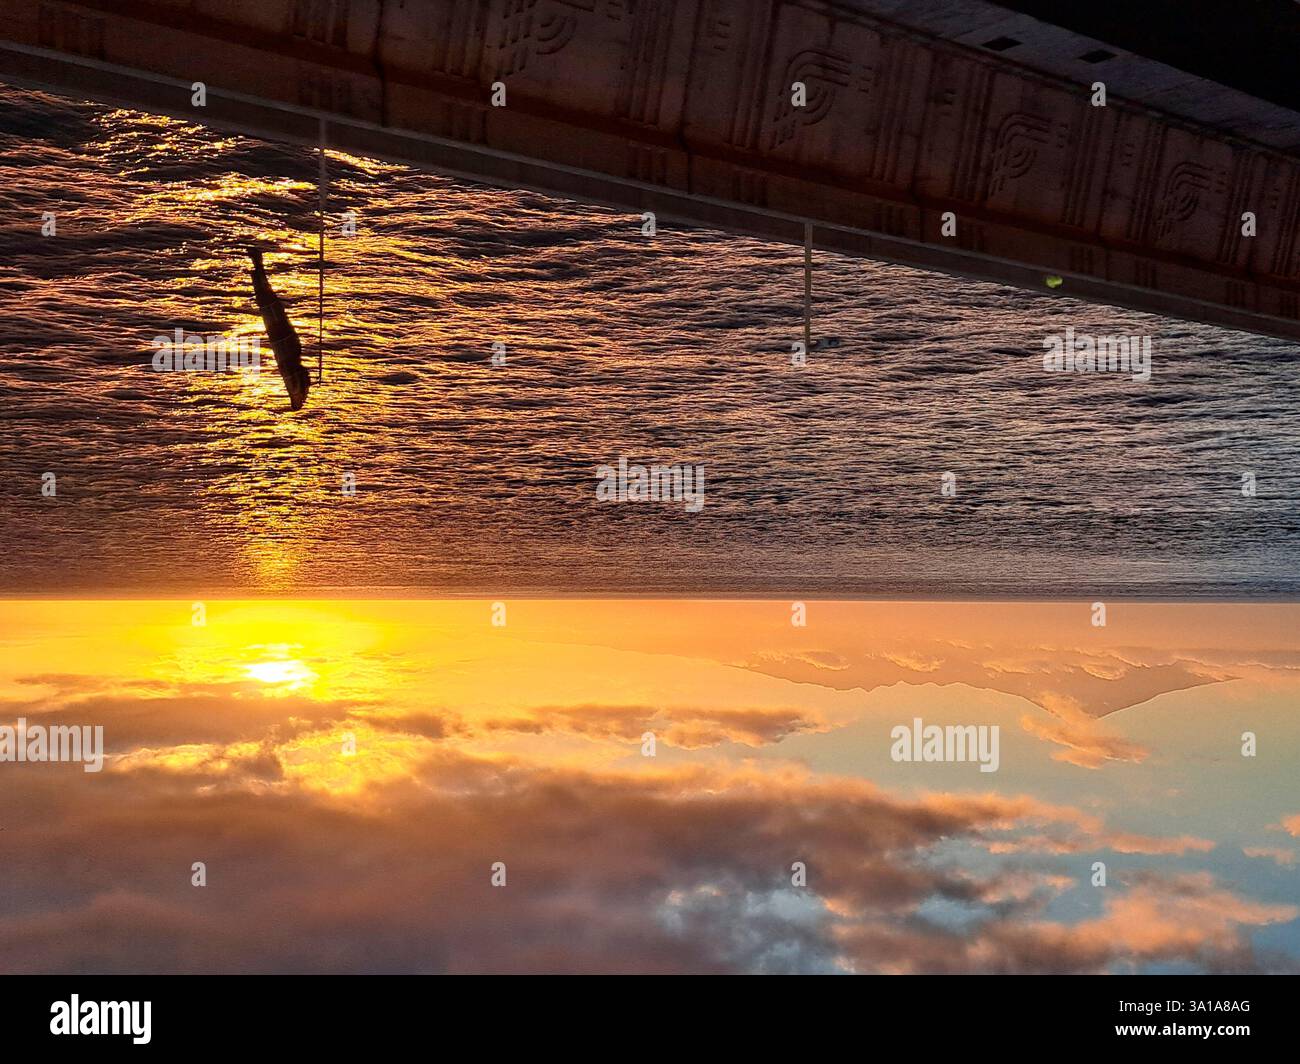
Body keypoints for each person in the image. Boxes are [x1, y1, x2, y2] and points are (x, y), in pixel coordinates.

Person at [247, 246, 311, 410]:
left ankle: (257, 266)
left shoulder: (293, 382)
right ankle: (258, 265)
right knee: (268, 303)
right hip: (284, 341)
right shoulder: (293, 381)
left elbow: (303, 372)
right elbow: (303, 372)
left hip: (285, 341)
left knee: (268, 302)